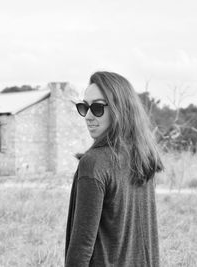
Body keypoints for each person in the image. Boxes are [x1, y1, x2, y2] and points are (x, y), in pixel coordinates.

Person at [65, 71, 164, 266]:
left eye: (98, 107)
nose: (89, 116)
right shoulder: (143, 157)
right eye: (84, 107)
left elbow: (81, 248)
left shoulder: (94, 162)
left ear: (120, 108)